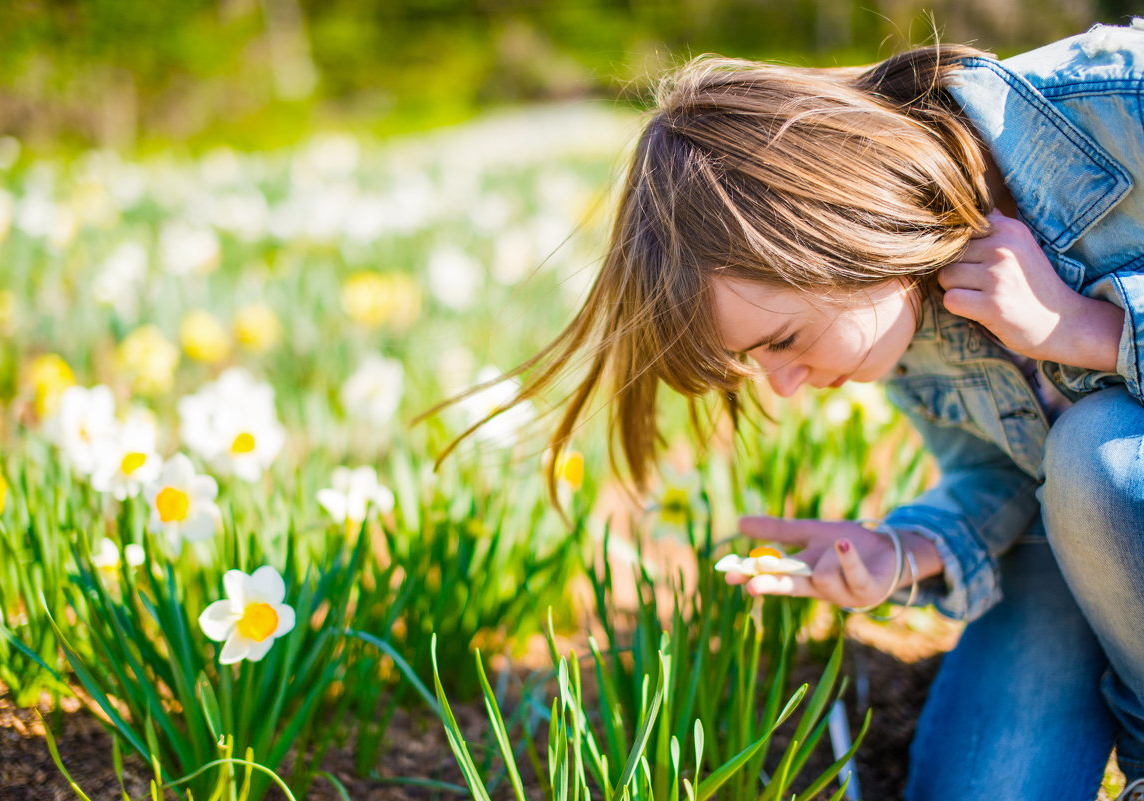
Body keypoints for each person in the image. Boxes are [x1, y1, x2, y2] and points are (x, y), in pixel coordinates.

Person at [437, 17, 1144, 801]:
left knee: (1100, 453)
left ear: (836, 229)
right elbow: (1005, 477)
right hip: (1089, 544)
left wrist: (1088, 330)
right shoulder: (909, 289)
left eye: (781, 339)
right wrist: (900, 549)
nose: (781, 386)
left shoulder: (1119, 104)